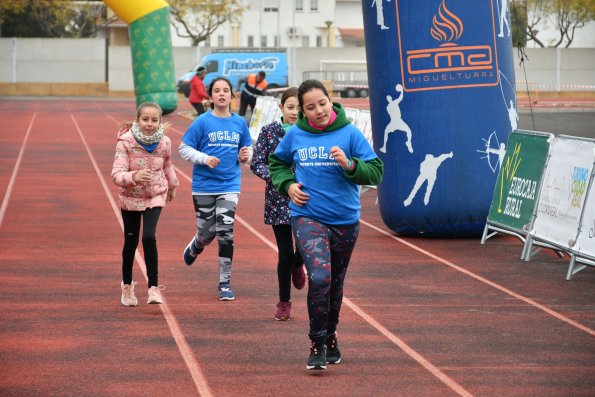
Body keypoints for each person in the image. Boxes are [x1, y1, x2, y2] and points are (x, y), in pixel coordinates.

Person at [269, 79, 383, 370]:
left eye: (322, 103)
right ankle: (316, 341)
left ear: (330, 101)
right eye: (310, 107)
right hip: (307, 216)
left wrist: (350, 165)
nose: (318, 110)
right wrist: (288, 185)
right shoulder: (294, 134)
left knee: (335, 283)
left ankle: (331, 335)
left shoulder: (349, 133)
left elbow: (375, 173)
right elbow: (277, 163)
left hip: (345, 221)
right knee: (320, 277)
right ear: (303, 111)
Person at [179, 77, 253, 301]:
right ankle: (197, 243)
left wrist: (246, 155)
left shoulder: (239, 123)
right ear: (210, 97)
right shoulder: (202, 122)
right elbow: (184, 148)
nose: (222, 94)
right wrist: (203, 158)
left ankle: (224, 283)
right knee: (206, 232)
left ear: (232, 96)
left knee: (226, 231)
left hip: (229, 185)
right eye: (217, 91)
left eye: (226, 90)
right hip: (203, 186)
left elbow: (247, 149)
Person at [111, 102, 179, 307]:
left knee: (149, 237)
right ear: (137, 120)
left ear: (160, 121)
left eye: (154, 120)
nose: (149, 124)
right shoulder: (125, 143)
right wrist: (135, 176)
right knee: (131, 242)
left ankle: (154, 288)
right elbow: (116, 174)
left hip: (155, 195)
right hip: (130, 197)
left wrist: (173, 186)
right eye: (145, 119)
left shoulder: (165, 142)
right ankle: (127, 285)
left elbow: (167, 165)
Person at [250, 87, 307, 321]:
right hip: (278, 199)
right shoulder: (269, 132)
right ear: (281, 107)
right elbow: (257, 163)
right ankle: (284, 302)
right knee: (284, 254)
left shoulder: (309, 132)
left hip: (305, 198)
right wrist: (276, 179)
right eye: (290, 107)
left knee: (304, 246)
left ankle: (298, 263)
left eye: (298, 108)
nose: (294, 112)